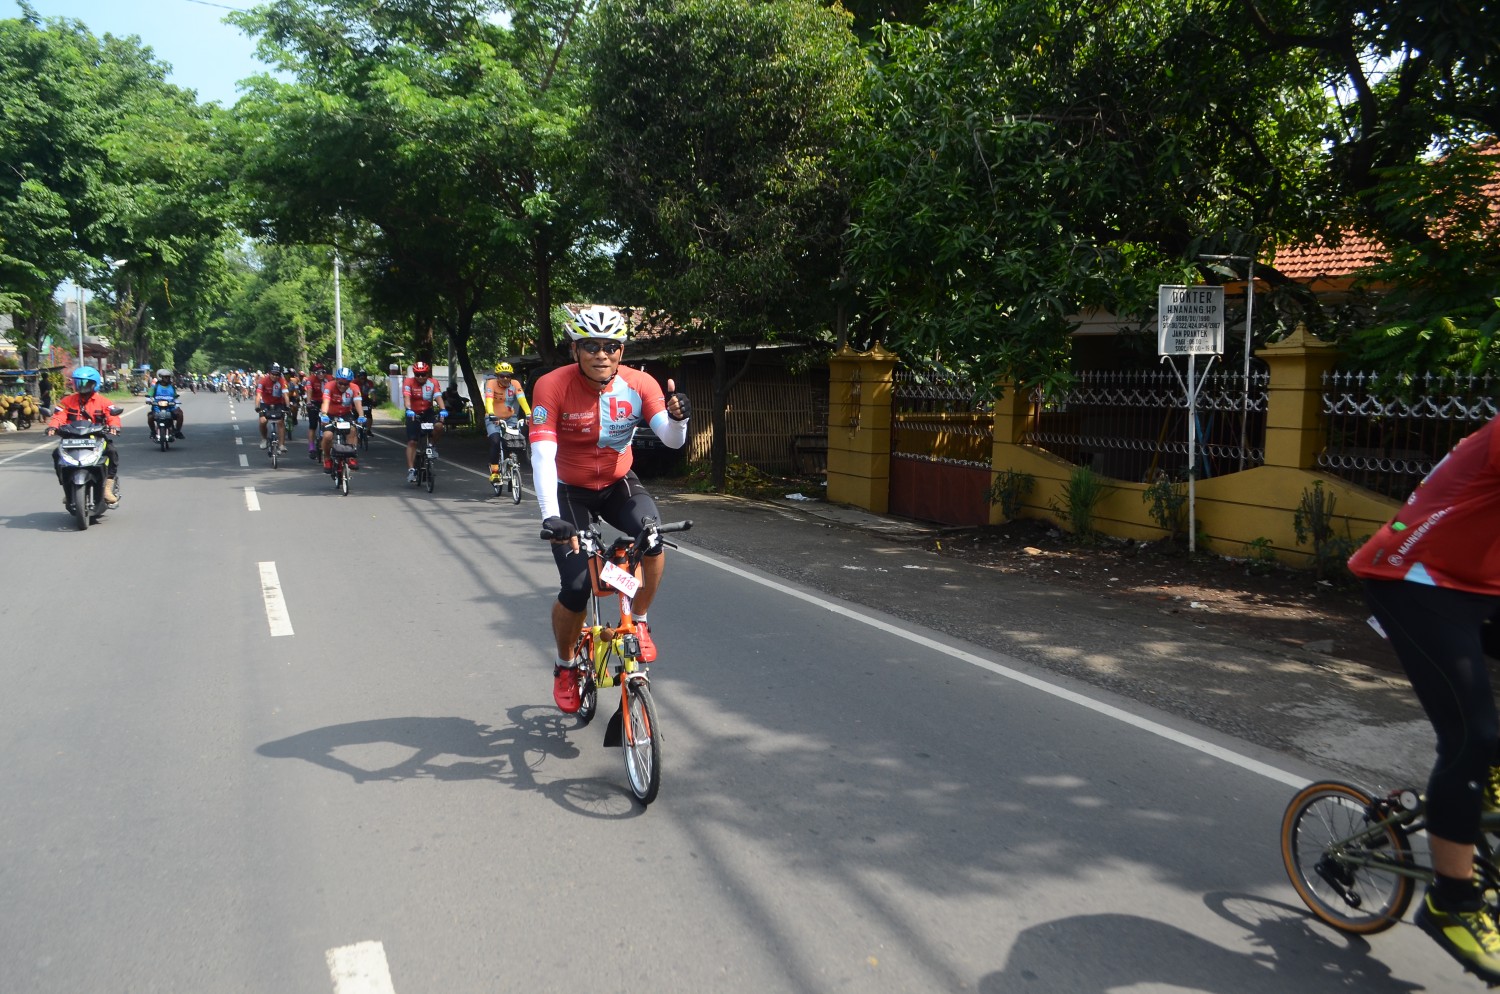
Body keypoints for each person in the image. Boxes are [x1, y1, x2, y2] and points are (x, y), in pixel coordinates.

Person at [1348, 414, 1500, 984]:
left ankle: (1487, 777)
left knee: (1485, 745)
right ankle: (1452, 902)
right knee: (1471, 736)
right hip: (1415, 581)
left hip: (1480, 586)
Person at [530, 304, 690, 712]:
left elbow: (671, 440)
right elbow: (543, 454)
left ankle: (639, 619)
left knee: (652, 537)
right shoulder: (552, 385)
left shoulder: (640, 384)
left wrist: (679, 419)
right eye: (591, 346)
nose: (601, 354)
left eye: (610, 346)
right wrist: (551, 516)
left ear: (621, 351)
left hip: (619, 483)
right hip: (570, 491)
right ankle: (566, 666)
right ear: (575, 350)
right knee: (577, 587)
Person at [45, 365, 122, 505]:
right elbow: (59, 416)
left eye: (86, 383)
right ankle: (67, 487)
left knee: (111, 452)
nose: (82, 386)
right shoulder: (67, 401)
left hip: (96, 437)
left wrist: (114, 426)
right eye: (79, 382)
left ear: (94, 384)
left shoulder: (104, 402)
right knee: (57, 454)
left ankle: (107, 487)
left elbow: (112, 415)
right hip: (71, 438)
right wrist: (53, 427)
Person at [401, 361, 448, 483]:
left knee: (439, 426)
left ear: (428, 374)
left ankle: (432, 445)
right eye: (417, 374)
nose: (420, 377)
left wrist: (443, 409)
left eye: (423, 374)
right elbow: (406, 397)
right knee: (412, 441)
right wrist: (408, 409)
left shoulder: (433, 382)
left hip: (427, 412)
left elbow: (438, 396)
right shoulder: (408, 382)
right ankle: (411, 470)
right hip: (413, 413)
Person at [484, 361, 531, 484]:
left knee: (514, 441)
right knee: (495, 441)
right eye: (502, 376)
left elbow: (522, 400)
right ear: (497, 376)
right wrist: (491, 414)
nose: (505, 379)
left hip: (510, 418)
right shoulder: (491, 383)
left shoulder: (515, 384)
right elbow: (488, 401)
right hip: (493, 418)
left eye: (508, 376)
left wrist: (528, 413)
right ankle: (495, 472)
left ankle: (511, 463)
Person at [318, 365, 365, 472]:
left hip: (345, 414)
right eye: (340, 383)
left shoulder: (354, 388)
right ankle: (327, 458)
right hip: (330, 414)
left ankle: (351, 457)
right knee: (327, 436)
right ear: (336, 380)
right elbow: (326, 402)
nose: (343, 386)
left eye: (346, 384)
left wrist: (361, 416)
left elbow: (358, 403)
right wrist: (324, 414)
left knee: (353, 430)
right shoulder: (329, 386)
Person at [257, 363, 290, 451]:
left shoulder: (282, 381)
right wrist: (257, 407)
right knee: (263, 421)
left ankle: (281, 445)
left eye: (277, 374)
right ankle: (264, 439)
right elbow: (258, 395)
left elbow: (285, 394)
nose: (275, 376)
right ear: (269, 373)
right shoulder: (263, 381)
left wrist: (287, 406)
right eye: (273, 374)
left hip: (278, 403)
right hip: (265, 403)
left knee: (280, 422)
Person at [144, 368, 186, 439]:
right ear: (160, 377)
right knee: (150, 416)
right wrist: (148, 400)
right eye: (165, 377)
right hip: (157, 408)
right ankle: (153, 432)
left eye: (168, 377)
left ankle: (178, 431)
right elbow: (149, 395)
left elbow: (175, 397)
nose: (167, 378)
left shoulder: (171, 387)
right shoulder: (155, 387)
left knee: (180, 414)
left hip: (171, 408)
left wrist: (176, 403)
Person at [304, 362, 329, 459]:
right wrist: (308, 402)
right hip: (314, 402)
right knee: (313, 426)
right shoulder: (310, 380)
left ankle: (326, 442)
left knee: (327, 424)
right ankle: (311, 447)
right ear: (315, 373)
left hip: (326, 402)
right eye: (318, 373)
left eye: (323, 372)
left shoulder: (329, 379)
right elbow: (309, 390)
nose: (321, 374)